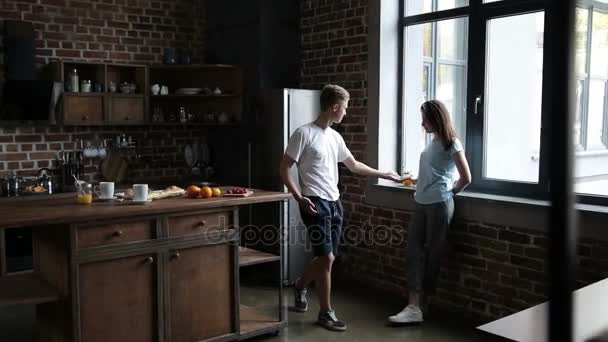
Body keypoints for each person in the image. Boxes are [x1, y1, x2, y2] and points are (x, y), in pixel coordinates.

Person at [279, 84, 401, 331]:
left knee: (327, 259)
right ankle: (326, 312)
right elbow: (284, 168)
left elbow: (354, 165)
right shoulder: (303, 133)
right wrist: (298, 196)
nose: (346, 112)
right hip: (313, 203)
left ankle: (300, 285)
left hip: (335, 204)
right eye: (344, 108)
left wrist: (384, 174)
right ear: (334, 107)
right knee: (327, 257)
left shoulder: (335, 137)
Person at [388, 100, 471, 325]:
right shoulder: (431, 143)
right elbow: (433, 171)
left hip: (439, 205)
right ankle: (414, 306)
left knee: (433, 255)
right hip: (421, 203)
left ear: (436, 118)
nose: (422, 122)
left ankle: (423, 305)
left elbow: (466, 178)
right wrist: (414, 179)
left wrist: (449, 193)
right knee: (413, 253)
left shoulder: (452, 143)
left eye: (425, 118)